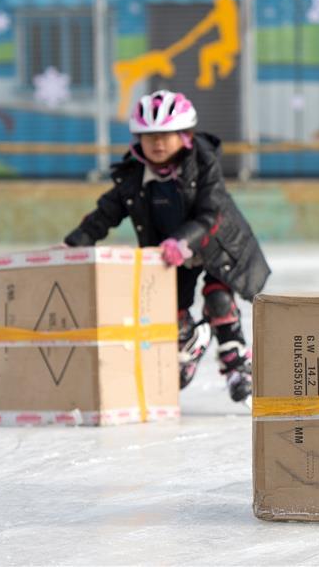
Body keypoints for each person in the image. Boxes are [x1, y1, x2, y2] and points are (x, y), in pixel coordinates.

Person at [63, 90, 270, 403]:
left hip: (218, 245)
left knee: (218, 298)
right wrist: (75, 242)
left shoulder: (203, 163)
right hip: (169, 255)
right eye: (149, 137)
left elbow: (210, 213)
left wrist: (182, 240)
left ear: (184, 136)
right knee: (170, 309)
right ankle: (189, 341)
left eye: (165, 135)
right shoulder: (134, 175)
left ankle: (237, 365)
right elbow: (106, 212)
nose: (157, 143)